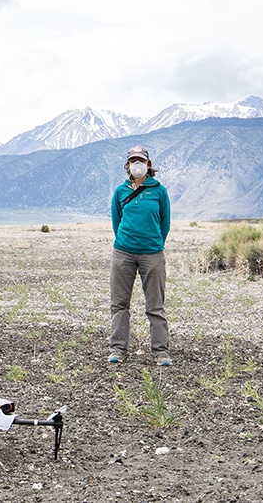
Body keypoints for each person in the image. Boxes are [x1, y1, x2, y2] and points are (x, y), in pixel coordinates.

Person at [108, 145, 172, 366]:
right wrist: (127, 242)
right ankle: (117, 349)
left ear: (148, 164)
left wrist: (153, 242)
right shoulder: (120, 191)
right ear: (127, 166)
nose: (137, 165)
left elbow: (165, 222)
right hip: (123, 252)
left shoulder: (159, 191)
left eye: (141, 161)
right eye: (133, 161)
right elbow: (117, 222)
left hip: (152, 254)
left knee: (155, 305)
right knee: (119, 303)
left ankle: (161, 351)